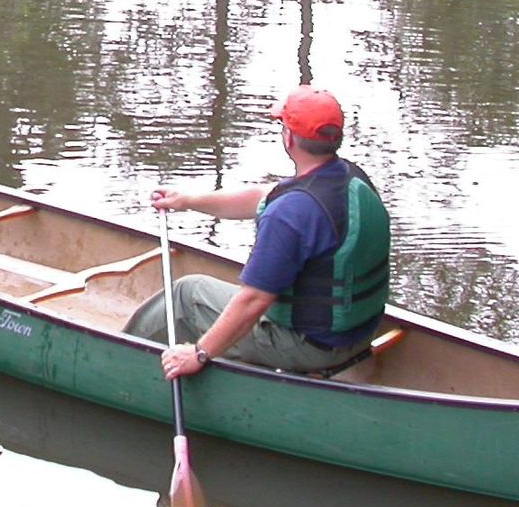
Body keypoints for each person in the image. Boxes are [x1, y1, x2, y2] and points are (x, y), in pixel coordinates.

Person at [126, 86, 389, 379]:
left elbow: (253, 301)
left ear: (288, 138)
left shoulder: (289, 213)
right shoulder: (351, 179)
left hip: (310, 347)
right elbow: (261, 197)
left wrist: (198, 354)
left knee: (187, 295)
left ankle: (117, 357)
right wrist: (187, 201)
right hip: (358, 334)